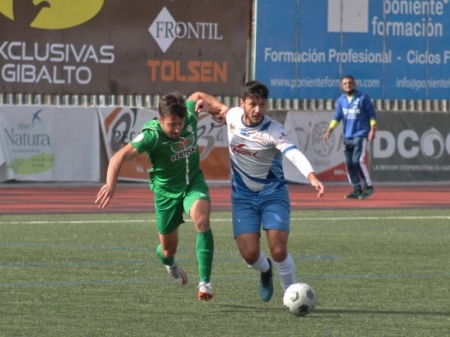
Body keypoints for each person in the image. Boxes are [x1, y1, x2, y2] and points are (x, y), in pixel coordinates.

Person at [95, 91, 229, 301]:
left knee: (202, 220)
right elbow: (118, 157)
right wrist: (111, 183)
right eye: (172, 124)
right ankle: (169, 263)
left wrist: (222, 108)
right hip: (165, 195)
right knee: (167, 250)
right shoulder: (152, 135)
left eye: (180, 123)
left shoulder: (190, 117)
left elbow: (198, 94)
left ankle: (205, 282)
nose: (177, 129)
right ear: (160, 119)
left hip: (193, 183)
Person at [212, 80, 324, 302]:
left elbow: (293, 153)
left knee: (279, 250)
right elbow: (208, 102)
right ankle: (265, 270)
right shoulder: (232, 116)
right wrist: (198, 103)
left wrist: (310, 175)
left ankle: (290, 295)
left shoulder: (274, 131)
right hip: (242, 197)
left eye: (262, 104)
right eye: (253, 104)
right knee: (250, 255)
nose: (258, 110)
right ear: (242, 103)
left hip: (273, 195)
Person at [323, 75, 377, 199]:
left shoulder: (362, 98)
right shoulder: (341, 100)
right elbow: (337, 117)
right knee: (349, 164)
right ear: (342, 86)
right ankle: (357, 188)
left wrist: (373, 129)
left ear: (355, 84)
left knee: (358, 161)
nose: (348, 85)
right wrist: (329, 130)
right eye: (345, 83)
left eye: (350, 83)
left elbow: (372, 115)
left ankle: (368, 186)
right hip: (348, 136)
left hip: (360, 134)